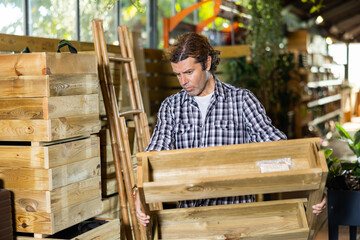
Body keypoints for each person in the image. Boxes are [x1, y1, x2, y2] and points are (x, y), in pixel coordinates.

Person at [135, 32, 326, 226]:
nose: (183, 81)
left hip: (237, 219)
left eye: (189, 72)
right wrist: (139, 194)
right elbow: (154, 157)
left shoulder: (242, 100)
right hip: (191, 221)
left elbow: (278, 148)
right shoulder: (171, 107)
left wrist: (317, 185)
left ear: (207, 63)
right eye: (177, 74)